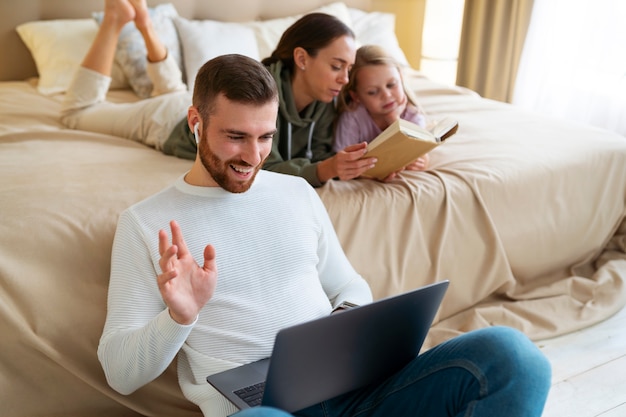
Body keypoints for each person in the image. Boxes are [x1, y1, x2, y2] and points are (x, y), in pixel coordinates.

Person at [97, 51, 552, 416]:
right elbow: (120, 373)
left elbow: (348, 285)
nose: (252, 157)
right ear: (196, 123)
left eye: (264, 137)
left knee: (512, 355)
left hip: (357, 389)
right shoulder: (146, 224)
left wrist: (346, 324)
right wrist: (180, 317)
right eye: (235, 136)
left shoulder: (295, 192)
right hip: (266, 408)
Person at [61, 0, 375, 187]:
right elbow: (261, 166)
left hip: (205, 103)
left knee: (175, 89)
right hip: (171, 120)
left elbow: (317, 154)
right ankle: (115, 22)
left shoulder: (327, 102)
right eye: (337, 66)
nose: (344, 79)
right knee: (77, 113)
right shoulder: (264, 94)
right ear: (302, 58)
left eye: (348, 68)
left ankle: (146, 26)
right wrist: (325, 169)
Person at [333, 45, 431, 180]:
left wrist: (393, 120)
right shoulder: (353, 116)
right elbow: (342, 162)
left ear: (400, 77)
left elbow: (420, 153)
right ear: (356, 96)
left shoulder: (412, 115)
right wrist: (373, 174)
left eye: (391, 85)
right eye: (373, 92)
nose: (386, 96)